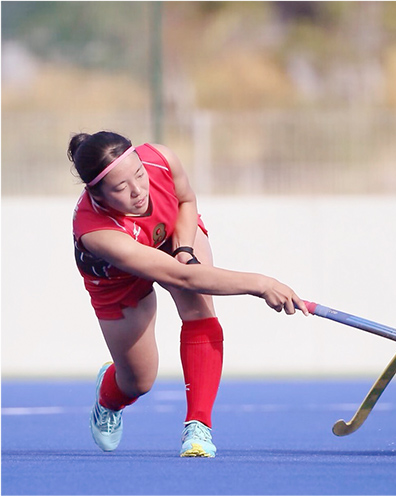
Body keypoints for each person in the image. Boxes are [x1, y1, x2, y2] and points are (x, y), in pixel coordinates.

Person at [69, 131, 308, 458]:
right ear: (97, 194)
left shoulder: (161, 159)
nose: (139, 191)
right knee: (138, 381)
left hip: (170, 233)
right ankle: (108, 398)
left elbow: (186, 200)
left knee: (199, 311)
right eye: (122, 188)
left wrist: (182, 246)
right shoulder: (97, 232)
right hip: (116, 279)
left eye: (139, 175)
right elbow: (181, 276)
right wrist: (261, 283)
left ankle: (198, 426)